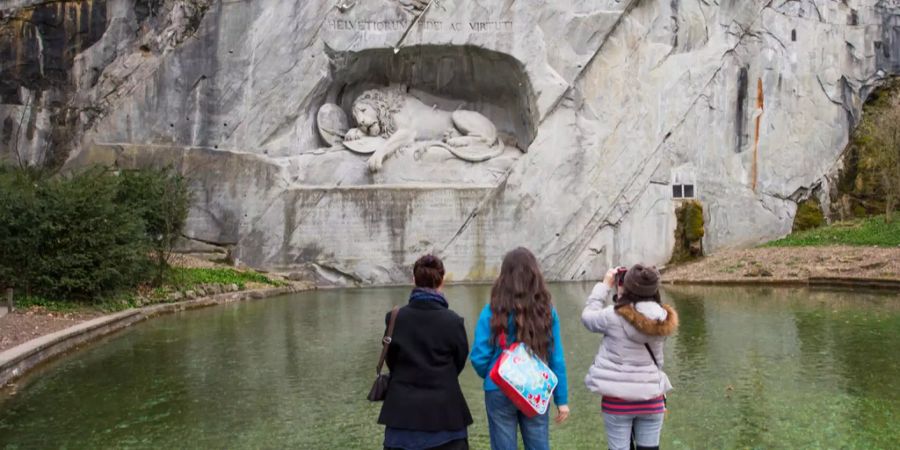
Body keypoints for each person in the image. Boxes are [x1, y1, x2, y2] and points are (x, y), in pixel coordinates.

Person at [470, 247, 569, 450]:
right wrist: (561, 400)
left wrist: (494, 376)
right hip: (535, 388)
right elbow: (555, 358)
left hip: (498, 389)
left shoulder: (491, 310)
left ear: (503, 277)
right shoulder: (547, 312)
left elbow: (479, 357)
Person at [378, 254, 473, 450]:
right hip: (446, 417)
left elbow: (392, 360)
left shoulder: (394, 318)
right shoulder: (453, 321)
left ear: (414, 280)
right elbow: (459, 361)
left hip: (401, 416)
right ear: (442, 281)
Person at [581, 264, 679, 450]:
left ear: (626, 286)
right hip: (652, 400)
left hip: (618, 403)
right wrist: (625, 294)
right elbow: (640, 312)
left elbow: (588, 317)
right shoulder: (664, 318)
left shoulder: (612, 316)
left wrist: (604, 286)